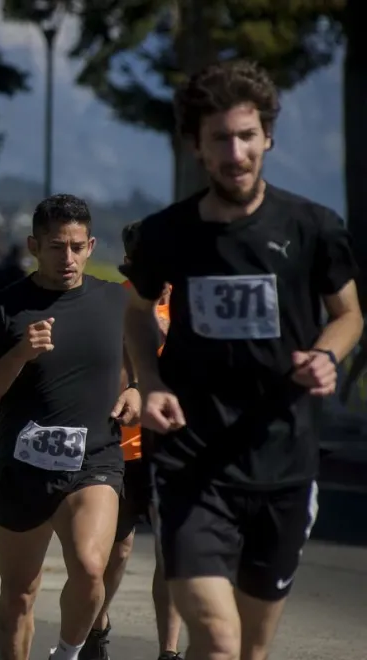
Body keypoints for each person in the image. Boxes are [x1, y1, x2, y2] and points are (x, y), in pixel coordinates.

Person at [123, 59, 363, 660]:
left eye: (246, 135)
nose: (235, 153)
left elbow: (350, 314)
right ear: (198, 148)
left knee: (249, 651)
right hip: (190, 460)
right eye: (220, 140)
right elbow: (135, 313)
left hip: (282, 459)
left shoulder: (313, 228)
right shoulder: (165, 234)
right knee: (220, 640)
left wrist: (326, 357)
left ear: (268, 137)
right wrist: (150, 381)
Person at [0, 194, 141, 660]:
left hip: (95, 458)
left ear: (91, 245)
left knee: (88, 565)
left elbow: (144, 365)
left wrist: (136, 390)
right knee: (19, 594)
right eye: (57, 247)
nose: (69, 258)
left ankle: (67, 653)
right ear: (34, 246)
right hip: (24, 464)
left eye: (78, 247)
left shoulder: (114, 301)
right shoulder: (7, 308)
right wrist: (19, 353)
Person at [81, 221, 181, 660]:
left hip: (173, 446)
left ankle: (169, 652)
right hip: (121, 445)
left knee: (171, 549)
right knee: (118, 549)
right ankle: (97, 623)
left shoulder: (190, 307)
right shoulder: (112, 303)